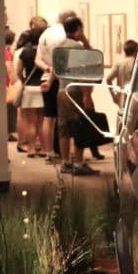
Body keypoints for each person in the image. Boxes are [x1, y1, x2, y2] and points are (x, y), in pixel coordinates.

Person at [54, 16, 97, 176]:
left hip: (61, 90)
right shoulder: (77, 47)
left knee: (64, 128)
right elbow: (82, 72)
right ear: (78, 29)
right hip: (75, 90)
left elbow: (56, 71)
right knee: (80, 126)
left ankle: (65, 162)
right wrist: (87, 95)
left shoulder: (59, 46)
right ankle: (78, 163)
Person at [35, 13, 69, 162]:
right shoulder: (62, 34)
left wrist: (48, 69)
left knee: (48, 117)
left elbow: (38, 60)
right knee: (62, 118)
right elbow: (60, 61)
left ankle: (49, 151)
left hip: (46, 76)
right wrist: (52, 74)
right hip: (58, 79)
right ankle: (63, 153)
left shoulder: (45, 34)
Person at [13, 30, 46, 156]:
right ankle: (43, 149)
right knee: (41, 122)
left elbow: (19, 71)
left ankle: (31, 149)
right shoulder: (44, 52)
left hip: (29, 88)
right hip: (43, 87)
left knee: (31, 122)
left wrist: (23, 80)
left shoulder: (25, 52)